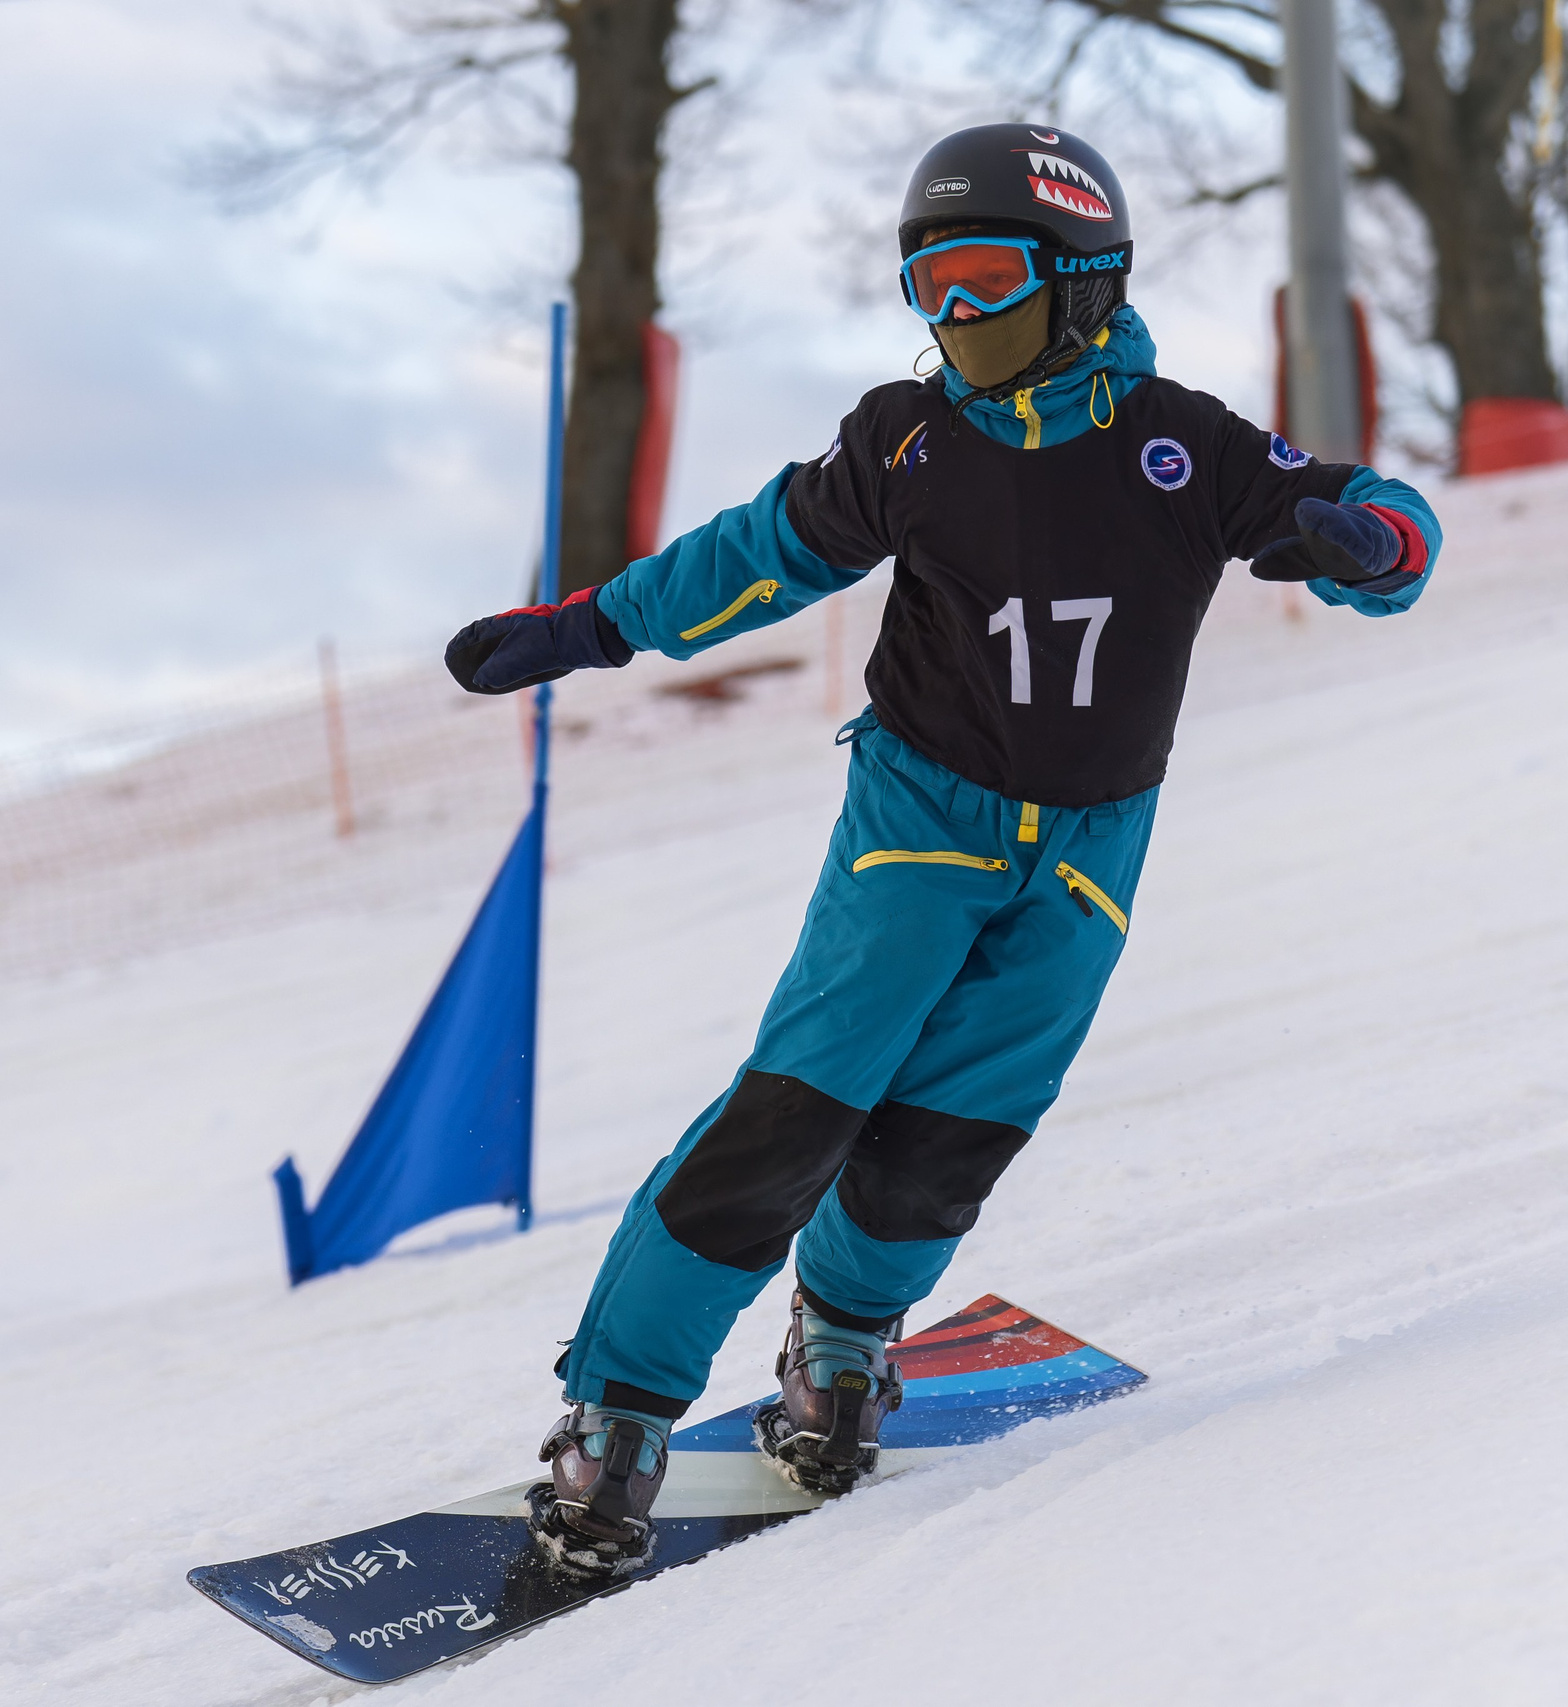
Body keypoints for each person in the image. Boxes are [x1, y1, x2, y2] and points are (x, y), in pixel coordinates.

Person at [444, 124, 1439, 1577]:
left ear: (1085, 281)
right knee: (795, 1114)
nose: (953, 320)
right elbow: (756, 552)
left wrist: (1377, 542)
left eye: (982, 281)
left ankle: (840, 1344)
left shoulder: (1184, 446)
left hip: (1094, 851)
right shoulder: (907, 443)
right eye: (929, 288)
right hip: (920, 822)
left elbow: (1371, 508)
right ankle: (621, 1412)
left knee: (949, 1141)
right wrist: (592, 624)